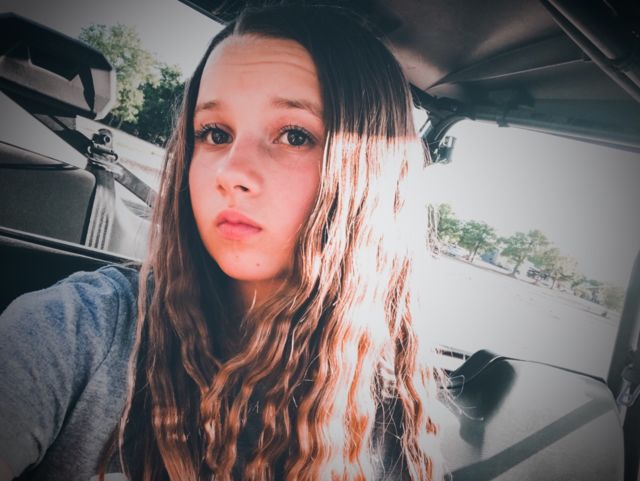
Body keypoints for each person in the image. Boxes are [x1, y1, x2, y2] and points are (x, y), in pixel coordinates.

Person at [0, 4, 445, 481]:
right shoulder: (80, 329)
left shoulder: (396, 414)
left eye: (294, 135)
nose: (231, 171)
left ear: (370, 173)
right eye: (214, 133)